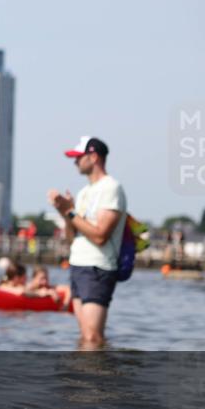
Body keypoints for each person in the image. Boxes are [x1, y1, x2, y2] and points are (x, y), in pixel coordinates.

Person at [48, 137, 127, 349]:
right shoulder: (84, 192)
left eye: (78, 158)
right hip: (78, 265)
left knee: (92, 337)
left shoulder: (111, 188)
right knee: (86, 336)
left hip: (98, 267)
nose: (75, 163)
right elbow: (72, 238)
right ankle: (85, 379)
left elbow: (100, 235)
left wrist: (69, 211)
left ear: (93, 157)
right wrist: (64, 213)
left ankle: (98, 380)